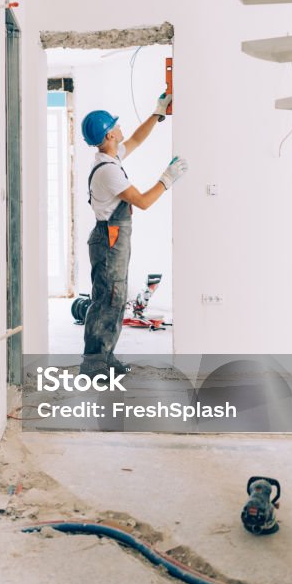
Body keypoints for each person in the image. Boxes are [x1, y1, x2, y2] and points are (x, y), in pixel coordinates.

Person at [79, 92, 188, 378]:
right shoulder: (109, 171)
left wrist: (157, 113)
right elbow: (142, 202)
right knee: (107, 300)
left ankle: (105, 357)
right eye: (115, 126)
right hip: (109, 240)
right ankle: (94, 365)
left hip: (113, 239)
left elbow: (137, 140)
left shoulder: (109, 156)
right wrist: (167, 179)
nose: (120, 127)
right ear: (109, 135)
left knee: (113, 299)